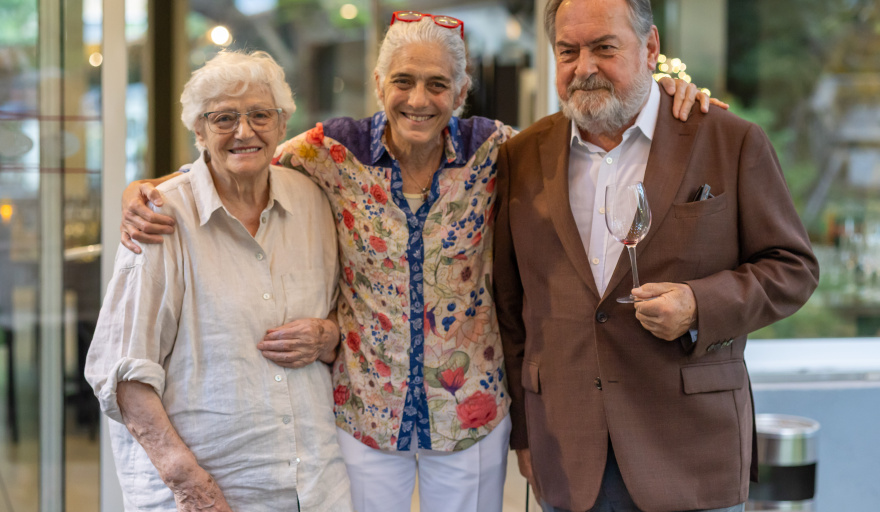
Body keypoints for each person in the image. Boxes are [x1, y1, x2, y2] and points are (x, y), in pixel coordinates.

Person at [118, 11, 721, 512]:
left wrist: (669, 85)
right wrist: (149, 187)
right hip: (363, 412)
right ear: (379, 85)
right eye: (403, 81)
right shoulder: (329, 152)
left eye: (438, 85)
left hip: (469, 415)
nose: (418, 99)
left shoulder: (501, 150)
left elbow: (600, 124)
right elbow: (238, 154)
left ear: (461, 94)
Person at [492, 0, 820, 511]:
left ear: (650, 48)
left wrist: (698, 305)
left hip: (689, 452)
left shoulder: (729, 140)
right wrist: (524, 433)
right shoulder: (521, 156)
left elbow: (793, 267)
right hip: (569, 452)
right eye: (568, 51)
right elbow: (512, 310)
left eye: (604, 47)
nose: (584, 68)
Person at [85, 51, 352, 511]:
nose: (244, 131)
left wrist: (327, 334)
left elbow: (340, 321)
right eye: (223, 118)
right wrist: (188, 482)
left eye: (259, 115)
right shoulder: (160, 217)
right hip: (206, 492)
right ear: (199, 131)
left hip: (315, 487)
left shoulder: (313, 202)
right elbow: (121, 373)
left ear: (282, 123)